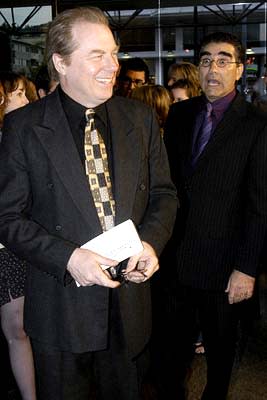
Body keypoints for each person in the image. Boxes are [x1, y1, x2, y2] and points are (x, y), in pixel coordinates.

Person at [0, 7, 177, 400]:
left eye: (113, 53)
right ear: (60, 62)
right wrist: (69, 257)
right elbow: (8, 217)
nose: (112, 65)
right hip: (61, 309)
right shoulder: (24, 127)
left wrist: (150, 243)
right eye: (96, 55)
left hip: (129, 306)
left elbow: (164, 194)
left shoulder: (140, 118)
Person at [160, 31, 267, 400]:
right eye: (206, 60)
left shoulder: (256, 125)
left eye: (223, 60)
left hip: (224, 268)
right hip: (173, 259)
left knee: (219, 357)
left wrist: (247, 268)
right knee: (171, 352)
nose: (213, 69)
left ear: (240, 69)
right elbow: (168, 185)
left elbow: (259, 205)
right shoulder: (179, 115)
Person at [0, 72, 36, 400]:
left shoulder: (21, 137)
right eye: (18, 94)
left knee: (18, 331)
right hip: (9, 250)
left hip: (12, 250)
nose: (26, 101)